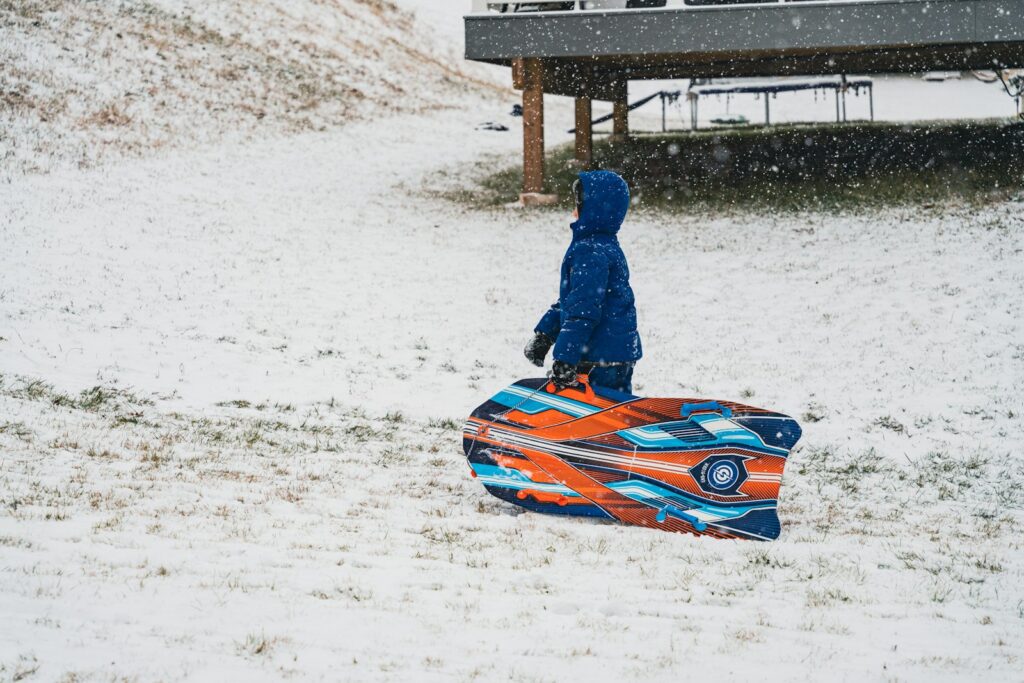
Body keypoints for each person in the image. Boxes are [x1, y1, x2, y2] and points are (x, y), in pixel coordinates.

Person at [524, 170, 642, 394]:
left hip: (598, 356)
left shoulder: (590, 250)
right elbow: (573, 300)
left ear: (594, 210)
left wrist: (565, 357)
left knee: (597, 415)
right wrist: (545, 334)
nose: (572, 211)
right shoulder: (606, 245)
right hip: (615, 351)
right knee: (614, 412)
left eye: (577, 205)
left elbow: (583, 310)